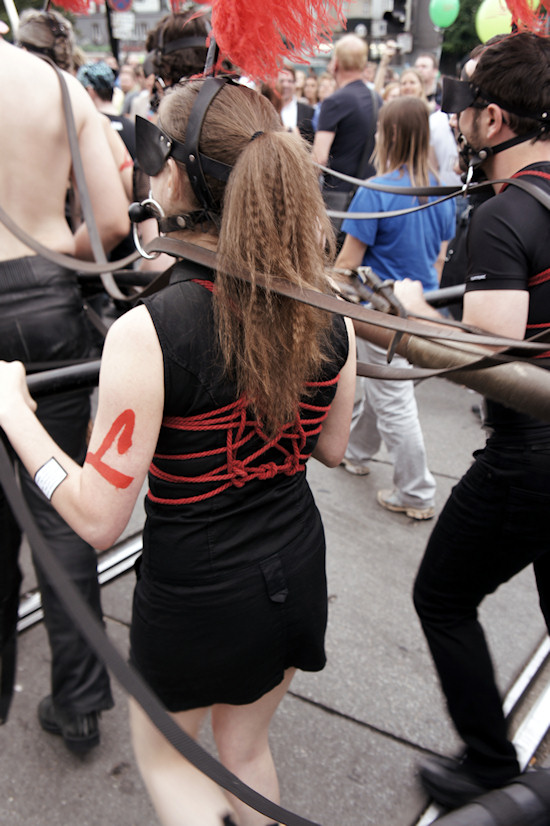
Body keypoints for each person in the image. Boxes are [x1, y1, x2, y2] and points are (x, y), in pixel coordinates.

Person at [0, 77, 355, 825]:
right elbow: (332, 446)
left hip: (198, 592)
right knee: (248, 754)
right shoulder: (328, 306)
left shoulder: (151, 330)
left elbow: (97, 519)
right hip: (295, 565)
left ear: (179, 170)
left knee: (168, 758)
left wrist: (14, 413)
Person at [391, 31, 550, 809]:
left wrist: (417, 314)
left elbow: (493, 357)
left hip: (531, 454)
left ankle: (490, 763)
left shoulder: (506, 215)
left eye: (463, 112)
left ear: (494, 120)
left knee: (442, 596)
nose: (455, 126)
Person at [0, 37, 129, 750]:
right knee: (58, 511)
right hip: (48, 313)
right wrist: (52, 260)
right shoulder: (52, 81)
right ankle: (79, 699)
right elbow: (110, 225)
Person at [335, 95, 455, 519]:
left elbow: (347, 265)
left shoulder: (376, 192)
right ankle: (357, 449)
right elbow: (437, 262)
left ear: (390, 135)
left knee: (393, 402)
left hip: (382, 316)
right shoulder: (443, 191)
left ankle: (416, 492)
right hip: (424, 313)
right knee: (390, 393)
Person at [312, 34, 380, 243]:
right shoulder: (376, 98)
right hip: (370, 196)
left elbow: (319, 158)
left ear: (336, 63)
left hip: (338, 201)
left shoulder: (335, 101)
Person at [276, 66, 315, 142]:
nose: (285, 85)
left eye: (289, 81)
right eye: (282, 81)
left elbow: (311, 143)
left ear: (295, 84)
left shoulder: (308, 111)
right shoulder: (269, 109)